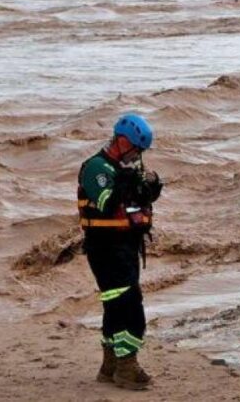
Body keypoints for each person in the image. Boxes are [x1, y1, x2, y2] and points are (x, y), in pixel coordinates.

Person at [77, 113, 163, 390]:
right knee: (127, 303)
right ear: (123, 140)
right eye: (136, 149)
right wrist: (127, 182)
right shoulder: (95, 168)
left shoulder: (128, 169)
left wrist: (149, 187)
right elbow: (106, 202)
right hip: (105, 246)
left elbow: (138, 198)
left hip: (126, 246)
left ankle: (110, 365)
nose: (138, 156)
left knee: (116, 303)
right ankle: (127, 365)